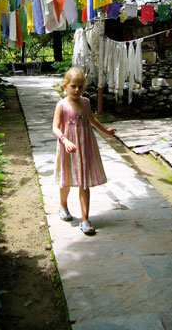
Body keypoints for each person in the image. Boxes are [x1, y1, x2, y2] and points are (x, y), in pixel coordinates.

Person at [52, 67, 117, 235]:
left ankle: (85, 219)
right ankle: (63, 205)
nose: (77, 90)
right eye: (73, 86)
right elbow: (55, 127)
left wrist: (106, 131)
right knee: (66, 179)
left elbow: (92, 120)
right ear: (65, 86)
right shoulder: (62, 105)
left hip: (85, 145)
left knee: (84, 181)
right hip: (69, 147)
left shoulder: (86, 102)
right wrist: (64, 140)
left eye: (80, 86)